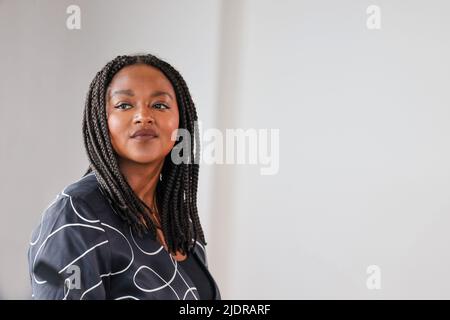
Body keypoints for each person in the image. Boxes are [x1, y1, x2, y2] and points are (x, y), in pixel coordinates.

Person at [28, 54, 221, 300]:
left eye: (160, 105)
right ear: (101, 120)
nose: (143, 116)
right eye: (124, 105)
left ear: (181, 122)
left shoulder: (180, 224)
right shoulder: (77, 213)